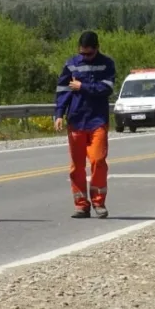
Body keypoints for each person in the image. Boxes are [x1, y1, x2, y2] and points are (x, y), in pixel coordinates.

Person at [54, 31, 117, 219]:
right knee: (77, 166)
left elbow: (106, 88)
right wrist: (59, 114)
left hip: (97, 120)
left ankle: (99, 203)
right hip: (76, 120)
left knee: (98, 161)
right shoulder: (71, 63)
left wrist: (83, 87)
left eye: (89, 54)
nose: (85, 57)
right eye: (82, 53)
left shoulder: (107, 64)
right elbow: (63, 90)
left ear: (97, 48)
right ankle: (81, 205)